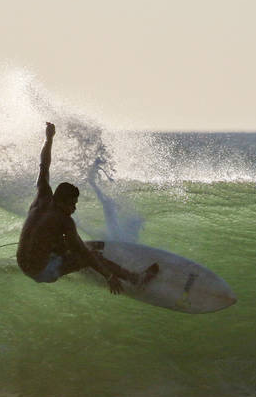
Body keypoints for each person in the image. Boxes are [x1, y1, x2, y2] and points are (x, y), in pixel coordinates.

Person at [17, 122, 158, 293]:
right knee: (91, 255)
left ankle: (61, 251)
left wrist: (49, 139)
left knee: (67, 245)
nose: (74, 209)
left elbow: (44, 166)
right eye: (72, 204)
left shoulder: (43, 195)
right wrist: (109, 276)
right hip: (40, 272)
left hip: (22, 263)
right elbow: (85, 254)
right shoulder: (64, 221)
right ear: (62, 202)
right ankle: (135, 278)